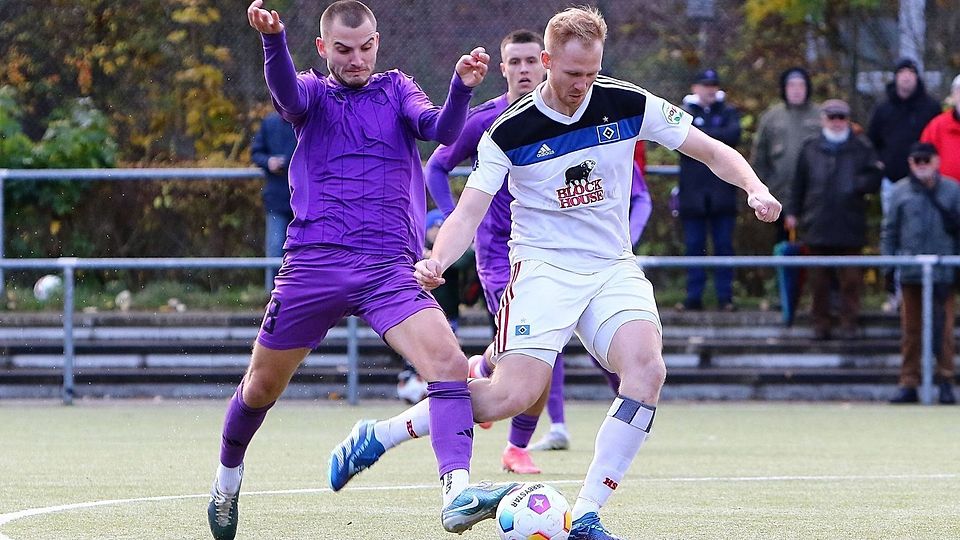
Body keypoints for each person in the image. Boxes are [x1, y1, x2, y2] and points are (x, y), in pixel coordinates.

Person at [330, 7, 781, 539]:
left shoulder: (628, 102)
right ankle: (382, 433)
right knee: (509, 397)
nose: (582, 86)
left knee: (647, 372)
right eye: (571, 75)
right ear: (546, 63)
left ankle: (587, 514)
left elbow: (708, 149)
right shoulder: (509, 131)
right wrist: (436, 261)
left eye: (591, 73)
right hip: (541, 271)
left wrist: (754, 187)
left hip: (611, 267)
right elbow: (469, 210)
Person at [208, 2, 499, 539]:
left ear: (377, 43)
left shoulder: (397, 89)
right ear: (324, 49)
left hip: (388, 269)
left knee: (448, 362)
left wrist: (461, 87)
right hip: (314, 266)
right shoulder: (314, 96)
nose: (356, 59)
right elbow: (286, 94)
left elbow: (439, 129)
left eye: (365, 47)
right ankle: (227, 480)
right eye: (343, 50)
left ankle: (456, 492)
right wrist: (273, 41)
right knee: (259, 389)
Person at [785, 99, 883, 341]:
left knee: (851, 279)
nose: (837, 122)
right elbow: (798, 184)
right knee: (819, 281)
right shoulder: (810, 148)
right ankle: (821, 323)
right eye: (832, 117)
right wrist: (792, 213)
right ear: (823, 119)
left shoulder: (861, 147)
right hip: (817, 222)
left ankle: (849, 322)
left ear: (847, 119)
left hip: (850, 223)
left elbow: (875, 176)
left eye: (841, 117)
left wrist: (856, 186)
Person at [883, 142, 958, 405]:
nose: (922, 165)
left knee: (944, 332)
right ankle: (908, 383)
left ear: (936, 161)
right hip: (912, 273)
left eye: (927, 159)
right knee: (911, 331)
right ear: (910, 163)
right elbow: (890, 231)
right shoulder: (901, 191)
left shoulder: (952, 190)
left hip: (944, 273)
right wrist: (888, 268)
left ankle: (946, 381)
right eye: (917, 160)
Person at [867, 58, 941, 312]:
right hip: (892, 182)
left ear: (917, 78)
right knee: (893, 234)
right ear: (896, 77)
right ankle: (894, 291)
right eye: (902, 73)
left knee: (926, 233)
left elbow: (936, 142)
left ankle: (929, 289)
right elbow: (871, 140)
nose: (906, 77)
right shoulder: (883, 109)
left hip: (926, 184)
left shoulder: (930, 107)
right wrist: (880, 163)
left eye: (911, 73)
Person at [675, 68, 742, 312]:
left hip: (723, 193)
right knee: (694, 246)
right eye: (705, 85)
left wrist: (701, 138)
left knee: (724, 245)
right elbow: (678, 140)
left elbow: (734, 135)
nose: (710, 89)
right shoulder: (684, 112)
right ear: (695, 88)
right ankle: (694, 296)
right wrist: (714, 140)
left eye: (713, 85)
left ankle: (726, 297)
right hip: (693, 195)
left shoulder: (728, 111)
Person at [751, 67, 821, 244]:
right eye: (791, 85)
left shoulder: (821, 116)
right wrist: (765, 189)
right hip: (780, 196)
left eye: (801, 85)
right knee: (784, 247)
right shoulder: (771, 117)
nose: (796, 90)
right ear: (784, 88)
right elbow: (759, 159)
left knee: (814, 249)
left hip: (815, 198)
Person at [250, 111, 297, 291]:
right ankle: (274, 295)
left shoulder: (307, 121)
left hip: (306, 202)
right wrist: (268, 161)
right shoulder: (270, 123)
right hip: (277, 199)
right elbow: (256, 152)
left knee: (309, 251)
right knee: (276, 249)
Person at [920, 73, 960, 182]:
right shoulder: (937, 125)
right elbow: (923, 157)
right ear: (953, 95)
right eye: (959, 91)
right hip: (944, 194)